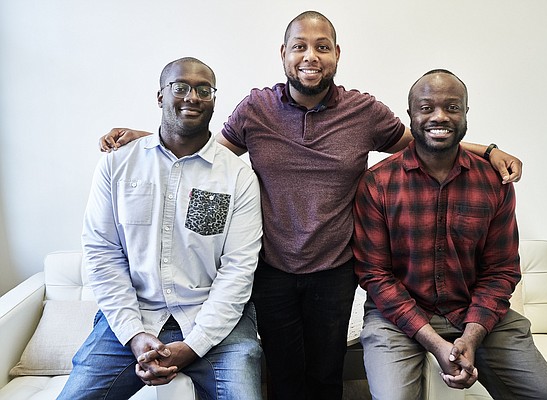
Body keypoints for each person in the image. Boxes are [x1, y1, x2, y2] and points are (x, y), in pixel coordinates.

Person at [98, 12, 523, 400]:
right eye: (299, 46)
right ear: (283, 54)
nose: (310, 56)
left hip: (336, 268)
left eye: (322, 47)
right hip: (273, 267)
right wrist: (153, 137)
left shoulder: (364, 111)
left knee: (324, 376)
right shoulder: (257, 108)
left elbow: (426, 138)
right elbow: (209, 155)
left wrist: (487, 151)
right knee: (282, 375)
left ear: (337, 55)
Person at [351, 69, 547, 400]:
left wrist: (470, 336)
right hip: (396, 318)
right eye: (426, 108)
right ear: (410, 115)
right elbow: (374, 274)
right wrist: (438, 344)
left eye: (452, 107)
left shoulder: (493, 182)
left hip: (476, 312)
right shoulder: (377, 183)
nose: (440, 116)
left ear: (465, 113)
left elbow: (501, 270)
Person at [58, 57, 263, 400]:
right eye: (180, 87)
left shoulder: (238, 177)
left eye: (204, 90)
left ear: (214, 99)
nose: (192, 97)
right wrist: (135, 335)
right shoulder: (118, 164)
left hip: (215, 324)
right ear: (160, 96)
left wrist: (194, 345)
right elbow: (102, 253)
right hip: (133, 318)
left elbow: (239, 270)